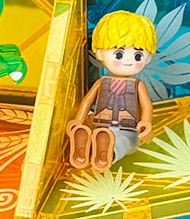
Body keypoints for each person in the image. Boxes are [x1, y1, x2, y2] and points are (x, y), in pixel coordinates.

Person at [67, 11, 156, 170]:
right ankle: (87, 148)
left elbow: (147, 106)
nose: (128, 60)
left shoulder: (137, 85)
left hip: (126, 127)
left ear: (148, 58)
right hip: (101, 124)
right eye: (119, 54)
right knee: (122, 141)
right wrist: (78, 121)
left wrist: (146, 123)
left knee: (125, 141)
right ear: (100, 53)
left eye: (137, 56)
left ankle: (105, 152)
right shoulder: (102, 82)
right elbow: (87, 101)